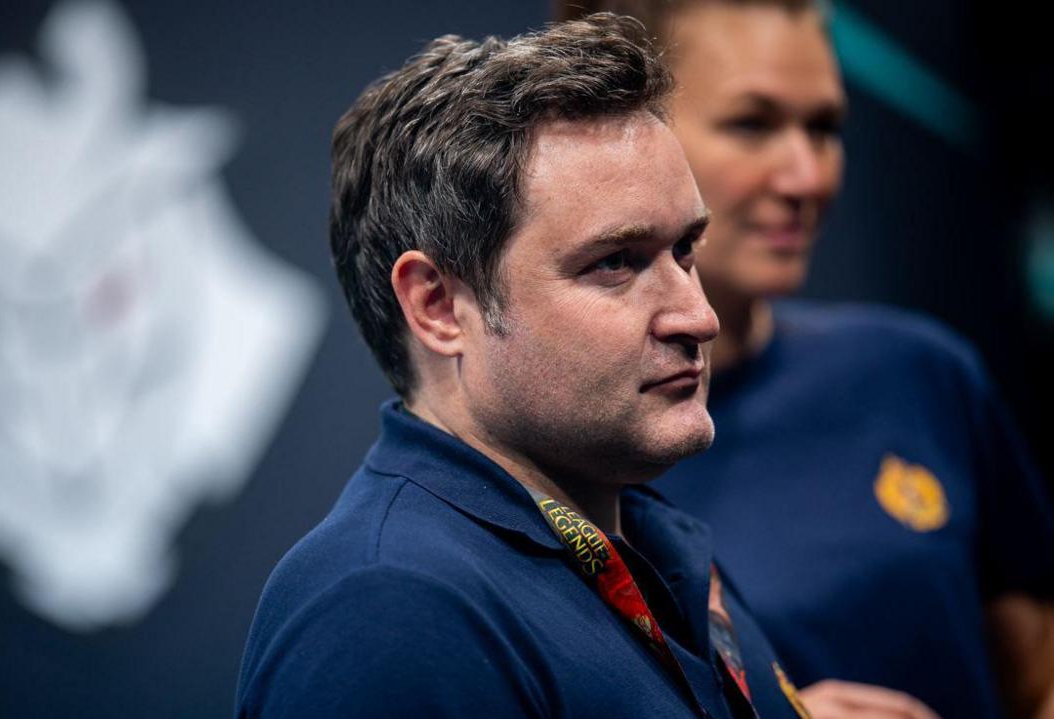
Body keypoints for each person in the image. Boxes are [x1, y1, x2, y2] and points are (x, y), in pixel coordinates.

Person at [237, 14, 816, 719]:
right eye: (616, 263)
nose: (698, 317)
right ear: (439, 306)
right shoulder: (386, 612)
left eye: (684, 250)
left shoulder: (638, 534)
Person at [555, 2, 1054, 718]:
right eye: (752, 124)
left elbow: (1037, 676)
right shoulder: (553, 476)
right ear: (617, 133)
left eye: (823, 127)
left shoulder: (920, 372)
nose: (806, 177)